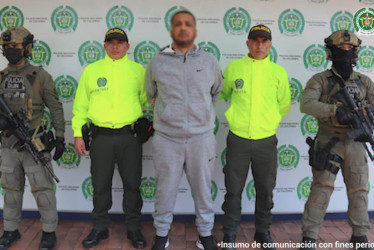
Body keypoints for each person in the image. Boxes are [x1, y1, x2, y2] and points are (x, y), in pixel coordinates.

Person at [145, 10, 223, 250]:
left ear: (194, 30)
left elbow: (216, 92)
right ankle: (161, 234)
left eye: (188, 24)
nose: (183, 28)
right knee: (164, 191)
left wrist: (198, 115)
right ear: (172, 30)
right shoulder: (157, 62)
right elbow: (151, 94)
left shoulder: (208, 61)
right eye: (178, 24)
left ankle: (205, 234)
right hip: (167, 139)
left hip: (201, 138)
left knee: (202, 191)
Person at [72, 28, 148, 249]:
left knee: (133, 184)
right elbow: (80, 106)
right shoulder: (92, 71)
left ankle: (134, 228)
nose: (115, 47)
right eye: (111, 43)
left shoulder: (138, 71)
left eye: (120, 42)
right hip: (101, 138)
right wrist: (78, 133)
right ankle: (99, 227)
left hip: (129, 137)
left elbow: (148, 99)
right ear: (104, 46)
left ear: (127, 46)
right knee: (100, 184)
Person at [299, 30, 374, 250]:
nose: (345, 52)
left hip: (356, 143)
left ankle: (360, 236)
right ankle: (310, 237)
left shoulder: (364, 82)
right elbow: (307, 104)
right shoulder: (320, 80)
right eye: (339, 48)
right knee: (321, 189)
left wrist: (365, 113)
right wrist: (335, 110)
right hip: (329, 142)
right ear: (330, 52)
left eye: (348, 48)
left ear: (355, 52)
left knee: (359, 190)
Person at [220, 24, 291, 250]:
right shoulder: (234, 68)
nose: (259, 45)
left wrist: (266, 122)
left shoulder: (278, 72)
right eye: (255, 40)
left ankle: (262, 232)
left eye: (264, 41)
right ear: (248, 43)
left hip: (266, 141)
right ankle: (230, 233)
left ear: (270, 44)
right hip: (238, 139)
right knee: (233, 190)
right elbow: (223, 93)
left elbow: (284, 105)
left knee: (265, 189)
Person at [0, 26, 65, 250]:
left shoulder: (40, 76)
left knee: (43, 191)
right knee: (10, 191)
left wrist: (60, 137)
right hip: (8, 146)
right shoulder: (1, 77)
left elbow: (56, 108)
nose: (11, 50)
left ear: (27, 47)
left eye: (16, 46)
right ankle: (10, 230)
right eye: (7, 46)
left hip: (34, 143)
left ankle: (49, 232)